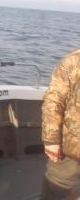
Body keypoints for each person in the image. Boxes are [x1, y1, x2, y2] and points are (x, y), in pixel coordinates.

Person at [41, 49, 80, 200]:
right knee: (56, 186)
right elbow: (53, 100)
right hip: (72, 147)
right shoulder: (74, 61)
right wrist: (51, 140)